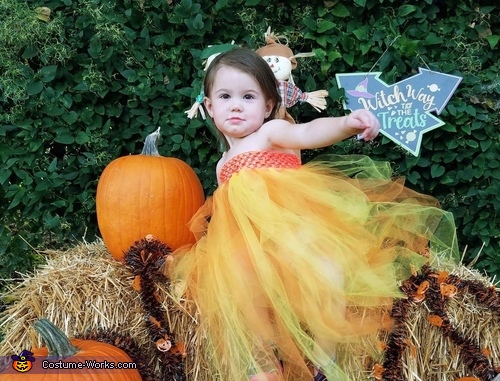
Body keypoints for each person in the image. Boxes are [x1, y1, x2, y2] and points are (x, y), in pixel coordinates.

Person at [165, 47, 458, 381]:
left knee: (326, 272)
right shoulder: (221, 165)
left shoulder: (270, 133)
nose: (236, 105)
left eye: (248, 96)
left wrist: (347, 124)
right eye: (225, 96)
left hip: (290, 229)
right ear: (209, 106)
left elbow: (308, 132)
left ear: (268, 106)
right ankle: (261, 364)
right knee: (244, 297)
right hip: (247, 246)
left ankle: (324, 358)